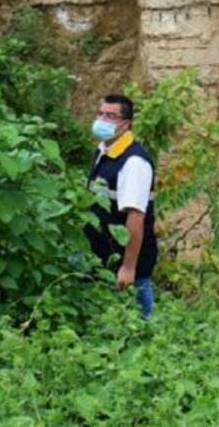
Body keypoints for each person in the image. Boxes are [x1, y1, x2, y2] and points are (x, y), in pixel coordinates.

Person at [84, 94, 159, 319]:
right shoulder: (103, 151)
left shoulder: (134, 162)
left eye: (110, 116)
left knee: (140, 319)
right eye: (101, 114)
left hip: (126, 260)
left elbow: (135, 218)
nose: (102, 120)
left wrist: (128, 267)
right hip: (103, 255)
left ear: (125, 124)